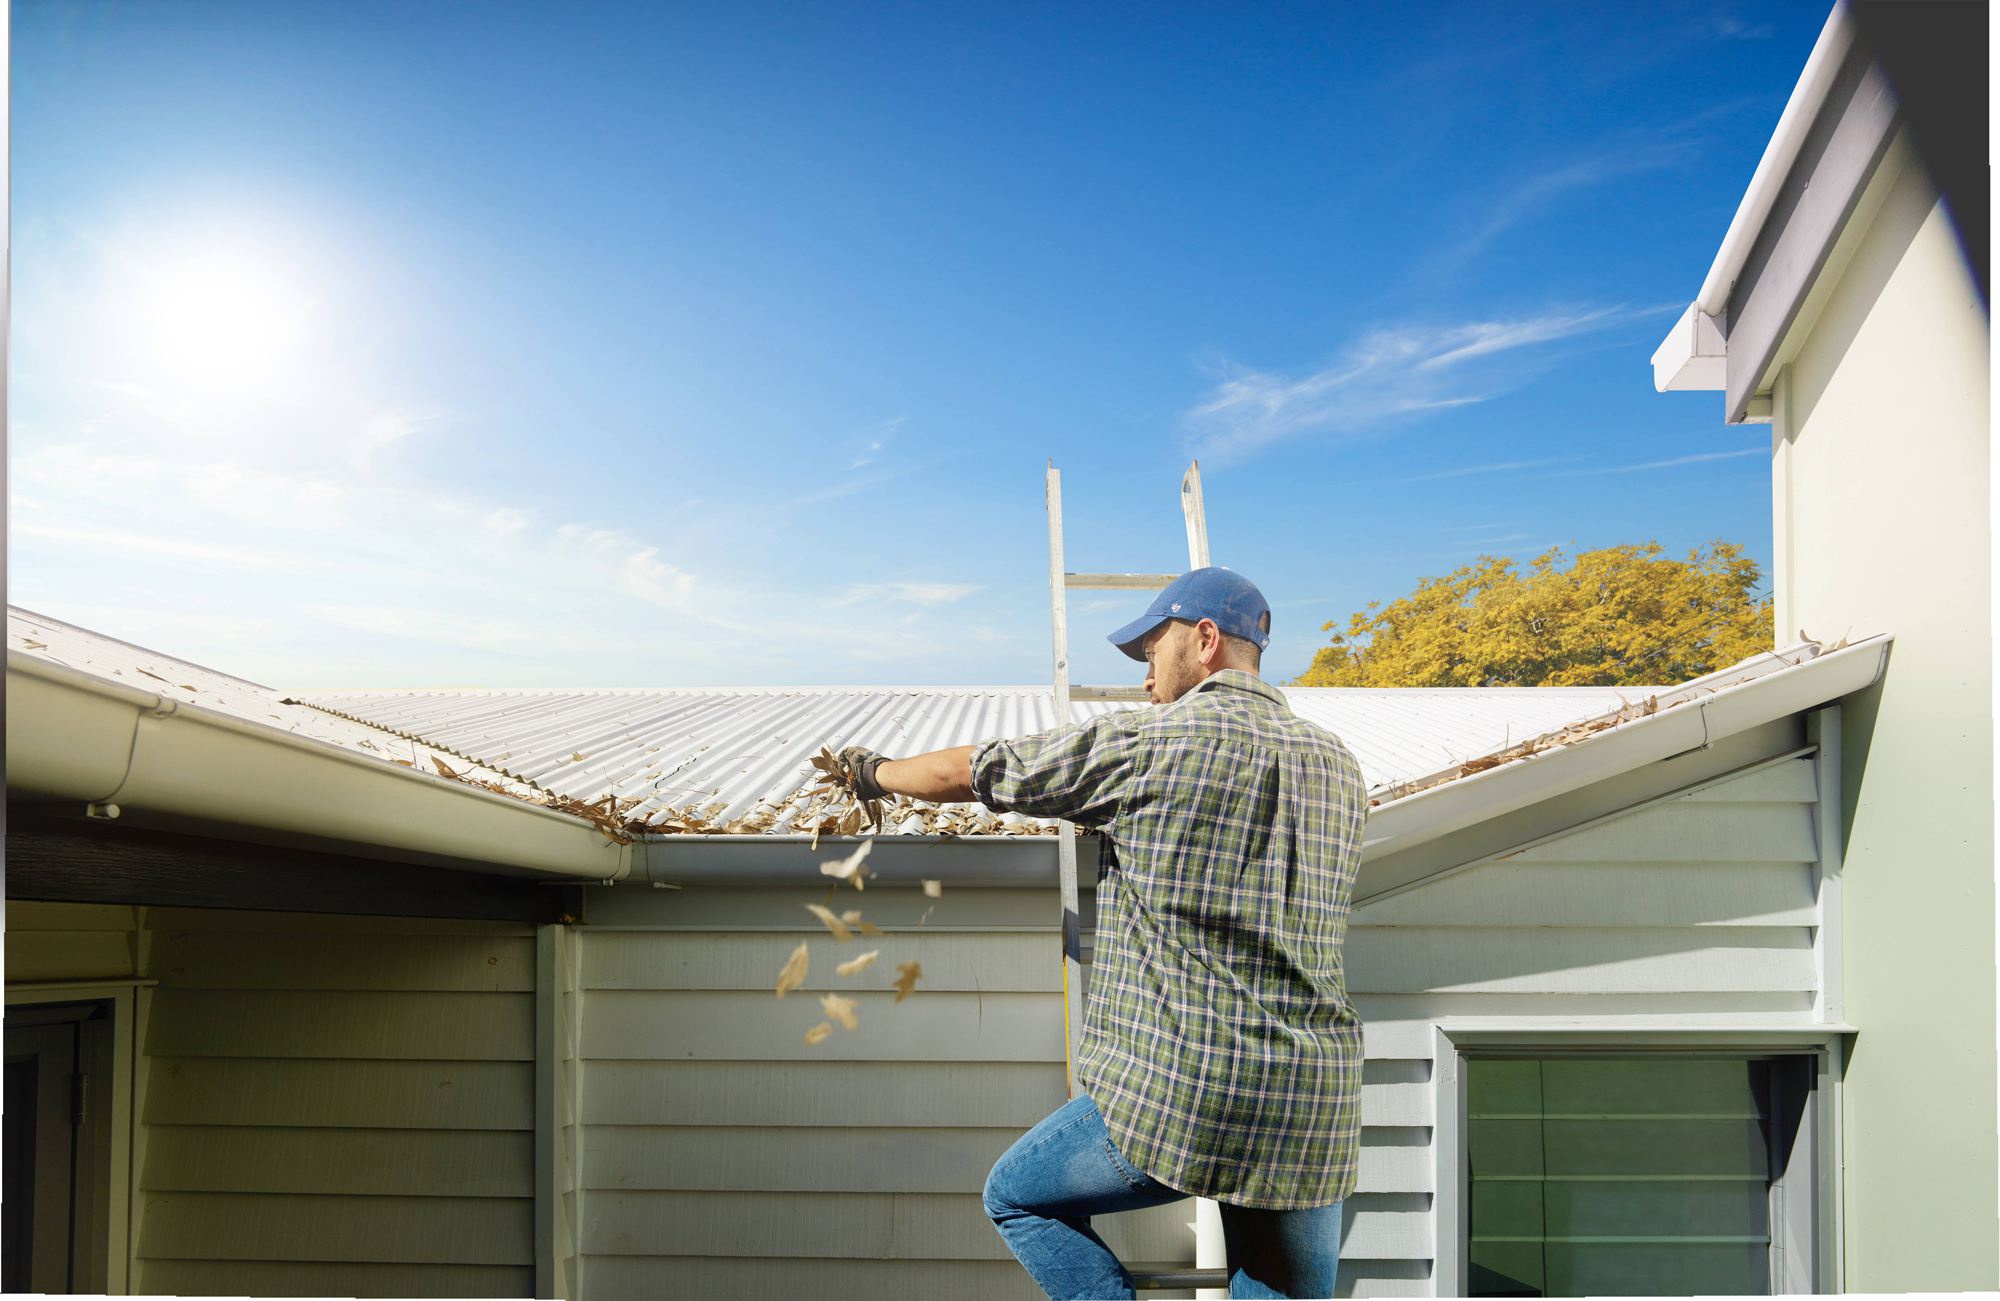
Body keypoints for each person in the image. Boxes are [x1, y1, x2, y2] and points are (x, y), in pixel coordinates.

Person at [839, 568, 1368, 1301]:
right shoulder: (1339, 765)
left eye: (1153, 651)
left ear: (1206, 640)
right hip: (1309, 1102)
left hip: (1189, 1089)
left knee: (1015, 1196)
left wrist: (873, 772)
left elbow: (977, 770)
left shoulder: (1150, 744)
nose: (1147, 678)